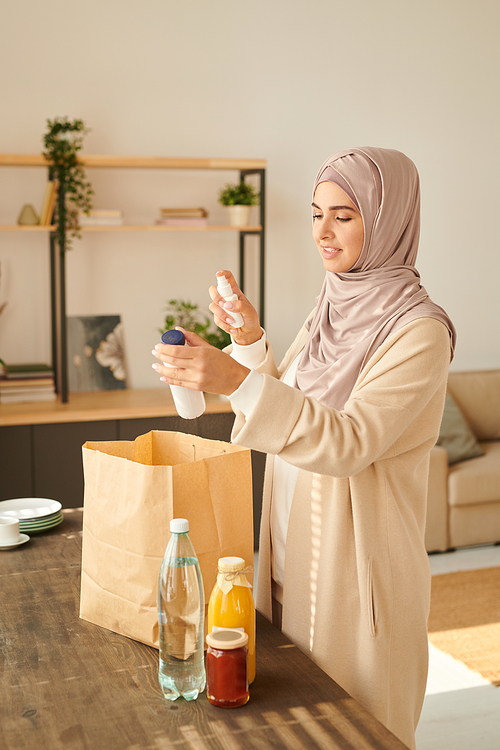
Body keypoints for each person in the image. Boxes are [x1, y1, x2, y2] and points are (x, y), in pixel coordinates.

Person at [152, 147, 456, 749]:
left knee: (358, 734)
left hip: (355, 577)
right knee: (291, 731)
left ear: (388, 218)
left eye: (343, 215)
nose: (321, 231)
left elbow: (347, 441)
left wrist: (234, 381)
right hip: (287, 561)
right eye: (317, 212)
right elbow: (294, 398)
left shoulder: (418, 331)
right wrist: (247, 338)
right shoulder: (332, 304)